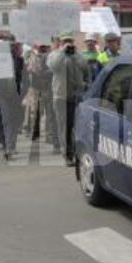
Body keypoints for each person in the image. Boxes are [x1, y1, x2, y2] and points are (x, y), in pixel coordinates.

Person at [48, 32, 91, 165]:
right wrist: (62, 51)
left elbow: (86, 69)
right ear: (60, 43)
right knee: (64, 127)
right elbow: (54, 66)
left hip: (76, 96)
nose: (69, 44)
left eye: (70, 41)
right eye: (65, 41)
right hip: (60, 97)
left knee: (76, 126)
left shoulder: (77, 56)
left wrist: (76, 54)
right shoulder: (54, 54)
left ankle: (76, 151)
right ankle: (67, 154)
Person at [24, 43, 56, 147]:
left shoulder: (52, 56)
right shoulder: (32, 56)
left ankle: (49, 135)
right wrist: (37, 58)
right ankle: (35, 132)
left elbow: (53, 69)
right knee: (36, 112)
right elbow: (31, 69)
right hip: (36, 88)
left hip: (48, 88)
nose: (43, 49)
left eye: (45, 47)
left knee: (49, 113)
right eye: (41, 47)